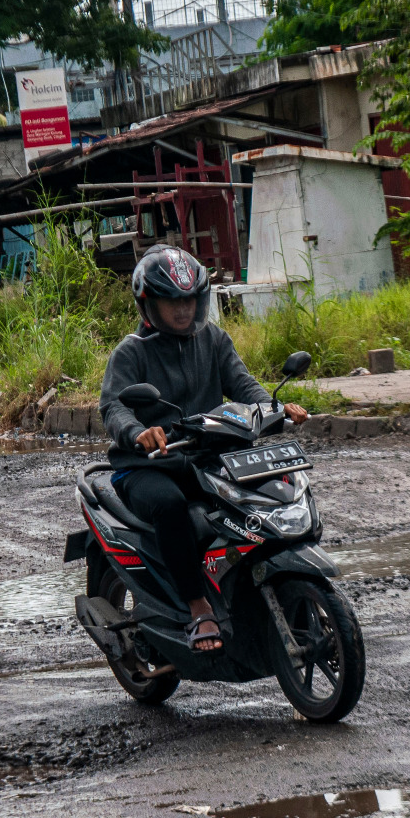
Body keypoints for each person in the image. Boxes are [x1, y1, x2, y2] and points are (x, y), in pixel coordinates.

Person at [99, 246, 309, 653]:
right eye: (172, 300)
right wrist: (137, 432)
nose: (182, 309)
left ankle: (250, 582)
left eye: (190, 299)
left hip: (205, 456)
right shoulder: (131, 352)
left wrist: (274, 408)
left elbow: (242, 384)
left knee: (258, 494)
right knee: (171, 505)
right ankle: (198, 608)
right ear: (148, 304)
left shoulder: (212, 339)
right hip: (148, 466)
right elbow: (113, 404)